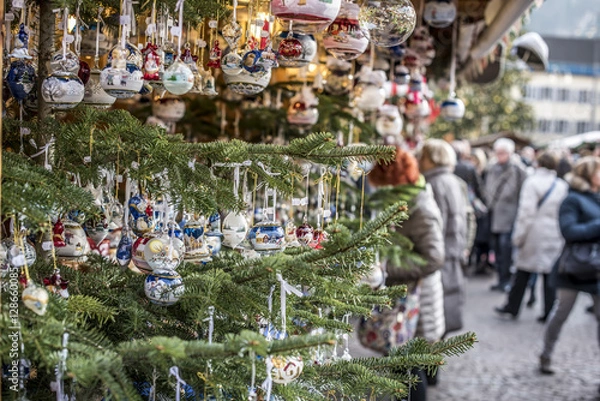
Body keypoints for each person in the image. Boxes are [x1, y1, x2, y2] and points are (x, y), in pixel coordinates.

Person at [364, 146, 446, 401]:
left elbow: (434, 258)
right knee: (404, 363)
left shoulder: (420, 208)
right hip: (405, 296)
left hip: (415, 299)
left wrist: (388, 268)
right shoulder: (404, 200)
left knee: (408, 367)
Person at [539, 156, 600, 381]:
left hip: (597, 268)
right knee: (561, 312)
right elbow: (569, 231)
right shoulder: (573, 199)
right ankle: (546, 354)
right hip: (575, 266)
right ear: (589, 175)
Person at [494, 151, 568, 321]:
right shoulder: (561, 185)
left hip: (533, 232)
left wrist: (518, 237)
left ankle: (512, 306)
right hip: (554, 233)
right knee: (548, 274)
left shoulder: (532, 182)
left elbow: (526, 214)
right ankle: (549, 310)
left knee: (522, 272)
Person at [417, 139, 468, 335]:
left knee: (432, 319)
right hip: (451, 254)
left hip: (438, 257)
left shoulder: (433, 184)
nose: (419, 160)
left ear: (432, 159)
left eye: (423, 156)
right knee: (440, 316)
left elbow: (434, 227)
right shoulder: (453, 181)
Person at [483, 138, 528, 292]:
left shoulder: (518, 170)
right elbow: (488, 189)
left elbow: (524, 193)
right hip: (495, 215)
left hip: (510, 216)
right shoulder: (492, 168)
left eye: (502, 153)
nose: (499, 156)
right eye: (498, 153)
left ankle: (507, 280)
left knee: (506, 250)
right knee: (497, 251)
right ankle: (501, 279)